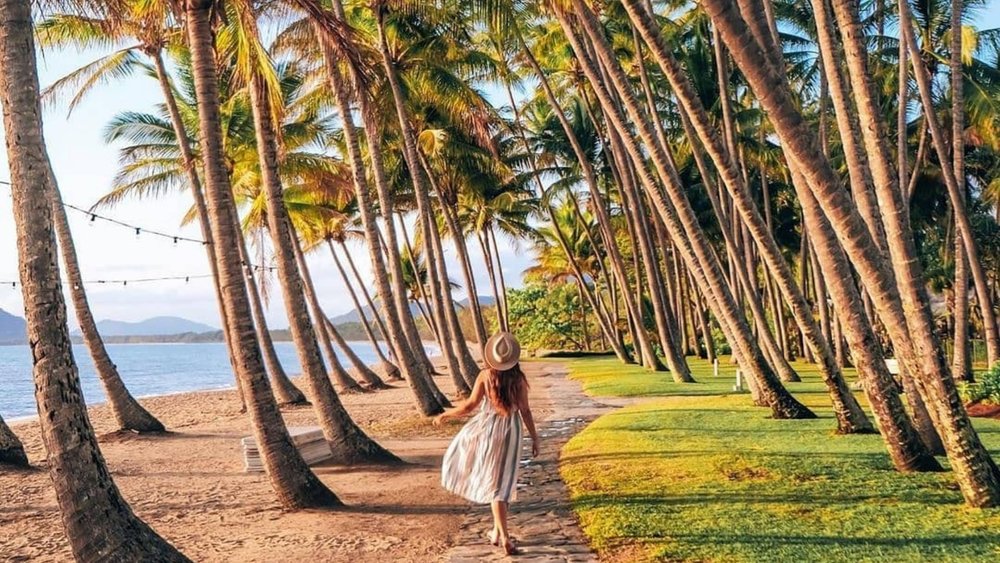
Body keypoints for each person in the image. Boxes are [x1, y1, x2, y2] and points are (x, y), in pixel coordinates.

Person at [434, 332, 539, 556]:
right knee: (503, 482)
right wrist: (535, 437)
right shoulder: (519, 379)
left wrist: (446, 414)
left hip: (489, 430)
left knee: (495, 486)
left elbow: (469, 406)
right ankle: (498, 533)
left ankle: (503, 536)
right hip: (512, 432)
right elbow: (525, 411)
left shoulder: (485, 376)